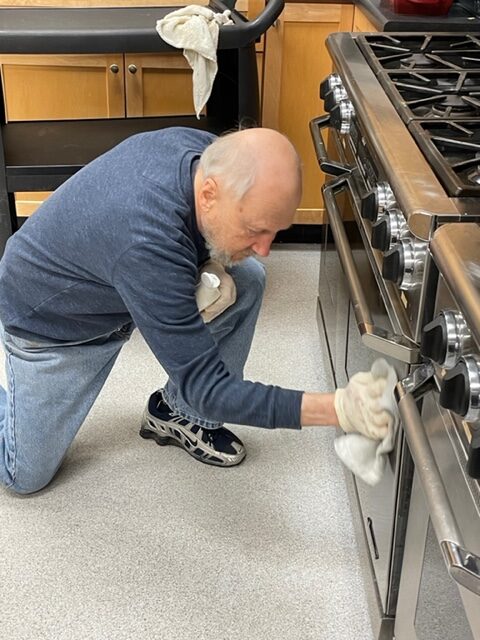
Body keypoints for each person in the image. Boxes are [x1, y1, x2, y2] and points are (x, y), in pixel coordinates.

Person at [0, 126, 391, 495]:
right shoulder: (146, 243)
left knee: (248, 278)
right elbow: (211, 390)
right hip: (52, 325)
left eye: (275, 231)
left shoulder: (210, 156)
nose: (267, 247)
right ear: (208, 195)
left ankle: (177, 414)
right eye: (256, 229)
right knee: (25, 476)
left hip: (118, 285)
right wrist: (336, 408)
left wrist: (214, 262)